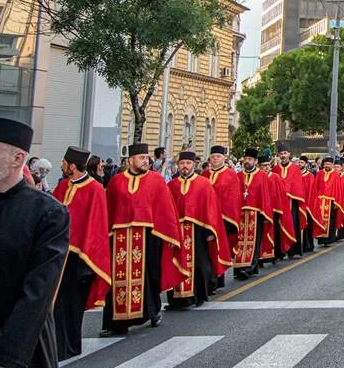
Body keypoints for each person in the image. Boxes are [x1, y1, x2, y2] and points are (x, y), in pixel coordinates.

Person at [0, 119, 70, 368]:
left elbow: (38, 292)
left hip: (21, 348)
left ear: (18, 159)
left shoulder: (47, 212)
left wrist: (7, 355)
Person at [101, 143, 184, 337]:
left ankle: (152, 312)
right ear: (131, 160)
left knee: (148, 276)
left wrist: (169, 234)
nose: (145, 161)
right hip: (120, 237)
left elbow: (165, 210)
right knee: (117, 278)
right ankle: (117, 322)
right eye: (141, 158)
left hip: (149, 237)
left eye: (146, 158)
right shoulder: (117, 181)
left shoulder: (156, 181)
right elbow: (110, 210)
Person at [51, 146, 111, 361]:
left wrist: (87, 263)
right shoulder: (62, 185)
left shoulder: (94, 189)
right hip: (59, 256)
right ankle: (55, 346)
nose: (61, 166)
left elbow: (96, 226)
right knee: (56, 305)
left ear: (72, 165)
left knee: (72, 306)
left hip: (80, 259)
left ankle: (70, 346)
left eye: (64, 163)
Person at [166, 150, 232, 309]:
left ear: (193, 164)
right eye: (182, 164)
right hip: (178, 233)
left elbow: (211, 211)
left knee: (200, 265)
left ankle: (198, 295)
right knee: (176, 263)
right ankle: (177, 299)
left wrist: (210, 233)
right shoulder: (172, 185)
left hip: (198, 232)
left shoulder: (203, 183)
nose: (185, 167)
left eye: (188, 163)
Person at [206, 145, 243, 286]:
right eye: (213, 157)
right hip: (206, 220)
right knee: (207, 252)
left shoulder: (230, 175)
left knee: (219, 250)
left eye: (218, 157)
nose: (215, 159)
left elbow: (233, 199)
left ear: (224, 158)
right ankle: (208, 280)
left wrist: (229, 221)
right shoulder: (204, 175)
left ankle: (217, 280)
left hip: (223, 220)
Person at [233, 148, 273, 279]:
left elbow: (265, 195)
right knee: (240, 241)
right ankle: (239, 267)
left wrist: (265, 214)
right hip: (241, 213)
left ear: (255, 161)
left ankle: (250, 267)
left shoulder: (261, 175)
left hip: (256, 213)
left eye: (250, 159)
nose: (247, 161)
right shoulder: (238, 176)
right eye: (245, 159)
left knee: (254, 241)